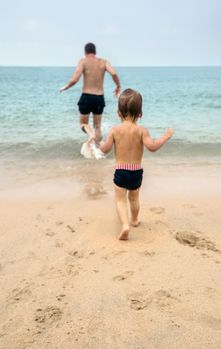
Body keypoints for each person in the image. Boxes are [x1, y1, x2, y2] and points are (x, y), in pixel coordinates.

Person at [100, 88, 174, 240]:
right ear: (140, 113)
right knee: (134, 198)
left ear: (119, 113)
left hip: (121, 171)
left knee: (120, 200)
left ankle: (125, 225)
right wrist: (166, 137)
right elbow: (152, 147)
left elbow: (105, 150)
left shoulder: (115, 130)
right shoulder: (142, 131)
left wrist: (99, 143)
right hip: (136, 172)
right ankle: (134, 220)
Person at [59, 42, 121, 143]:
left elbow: (75, 79)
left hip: (86, 96)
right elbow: (114, 73)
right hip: (99, 97)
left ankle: (90, 135)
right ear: (95, 52)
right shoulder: (104, 62)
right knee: (97, 126)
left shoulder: (83, 61)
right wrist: (118, 86)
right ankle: (97, 149)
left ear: (85, 52)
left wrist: (66, 87)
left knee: (83, 124)